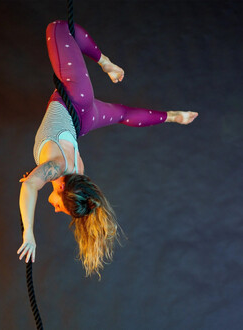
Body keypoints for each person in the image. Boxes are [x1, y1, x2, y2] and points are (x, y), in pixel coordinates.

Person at [17, 20, 198, 280]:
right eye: (61, 208)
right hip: (76, 97)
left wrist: (37, 177)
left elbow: (40, 182)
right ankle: (105, 61)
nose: (56, 209)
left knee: (123, 113)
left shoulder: (77, 171)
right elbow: (31, 187)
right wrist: (29, 235)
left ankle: (174, 116)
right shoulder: (56, 167)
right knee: (57, 28)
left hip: (85, 120)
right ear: (60, 188)